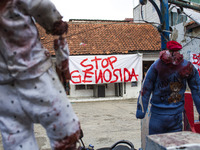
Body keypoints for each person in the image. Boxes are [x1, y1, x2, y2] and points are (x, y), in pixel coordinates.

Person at [0, 0, 81, 150]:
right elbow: (42, 6)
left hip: (4, 89)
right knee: (65, 131)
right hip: (35, 75)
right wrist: (55, 25)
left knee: (17, 140)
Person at [136, 41, 200, 135]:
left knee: (156, 143)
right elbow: (197, 89)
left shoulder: (156, 66)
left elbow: (145, 89)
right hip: (175, 115)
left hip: (158, 115)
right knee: (174, 143)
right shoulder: (187, 66)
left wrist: (141, 111)